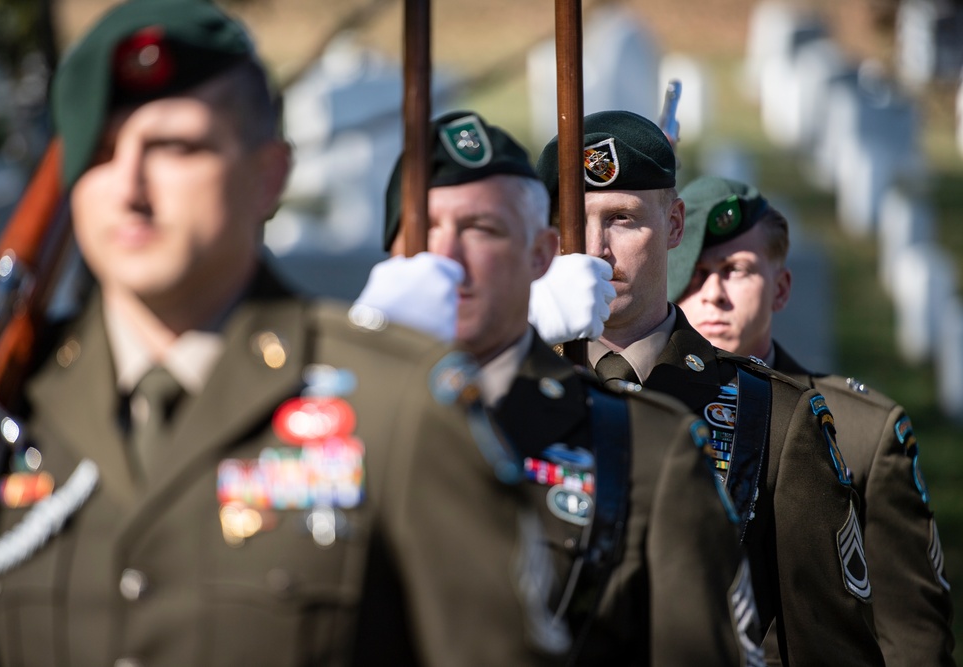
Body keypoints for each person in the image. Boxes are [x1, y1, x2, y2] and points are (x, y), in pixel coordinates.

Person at [0, 2, 567, 665]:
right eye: (102, 153)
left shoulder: (400, 408)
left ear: (269, 174)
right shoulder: (8, 406)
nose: (129, 187)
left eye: (174, 146)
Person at [359, 109, 760, 665]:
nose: (448, 257)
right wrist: (369, 354)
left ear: (541, 255)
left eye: (482, 229)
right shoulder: (317, 418)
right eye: (424, 230)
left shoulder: (650, 450)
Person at [536, 110, 885, 666]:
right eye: (576, 223)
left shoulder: (772, 414)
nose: (598, 249)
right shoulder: (513, 396)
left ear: (674, 225)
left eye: (624, 219)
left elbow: (829, 648)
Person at [672, 174, 955, 667]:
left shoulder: (861, 432)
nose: (712, 293)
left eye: (735, 269)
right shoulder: (644, 414)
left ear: (781, 288)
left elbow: (913, 639)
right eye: (693, 275)